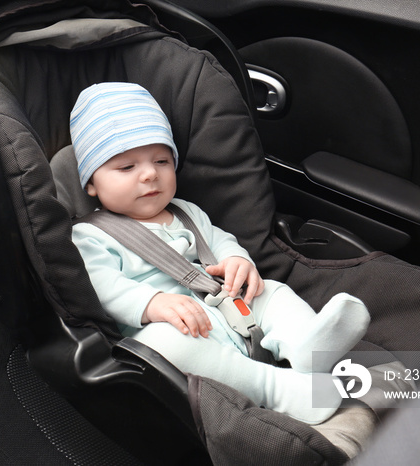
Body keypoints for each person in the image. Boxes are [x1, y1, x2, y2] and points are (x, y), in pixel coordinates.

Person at [70, 82, 371, 424]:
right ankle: (277, 389)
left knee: (272, 293)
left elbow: (219, 239)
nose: (150, 173)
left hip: (227, 306)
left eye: (161, 160)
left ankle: (308, 348)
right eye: (126, 167)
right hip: (179, 329)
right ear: (91, 183)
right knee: (162, 345)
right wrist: (151, 304)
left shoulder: (185, 210)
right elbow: (100, 284)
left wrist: (237, 260)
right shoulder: (91, 234)